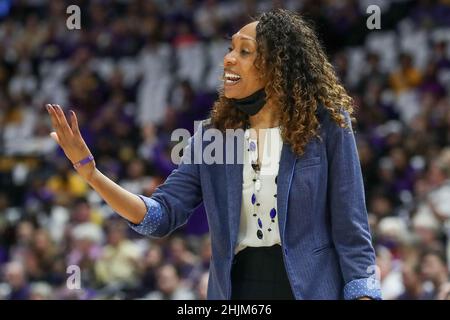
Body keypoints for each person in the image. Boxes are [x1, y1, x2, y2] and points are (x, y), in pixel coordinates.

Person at [45, 9, 381, 300]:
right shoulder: (213, 138)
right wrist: (92, 175)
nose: (229, 59)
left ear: (277, 67)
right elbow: (159, 217)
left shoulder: (325, 125)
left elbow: (352, 229)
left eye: (244, 51)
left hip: (311, 287)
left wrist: (363, 293)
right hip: (236, 289)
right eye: (230, 48)